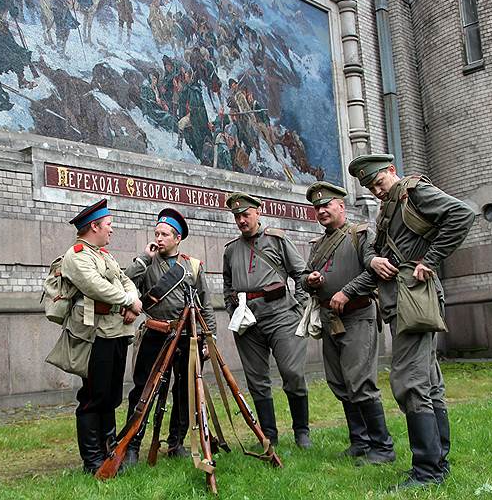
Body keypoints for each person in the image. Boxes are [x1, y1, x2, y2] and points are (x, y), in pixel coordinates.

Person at [347, 154, 475, 487]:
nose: (376, 190)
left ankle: (427, 471)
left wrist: (430, 260)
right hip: (403, 300)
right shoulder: (389, 208)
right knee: (429, 383)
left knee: (409, 381)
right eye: (370, 187)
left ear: (392, 171)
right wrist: (368, 267)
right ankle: (437, 463)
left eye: (379, 182)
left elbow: (462, 214)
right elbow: (380, 256)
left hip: (414, 299)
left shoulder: (413, 192)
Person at [299, 182, 395, 465]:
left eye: (326, 205)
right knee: (339, 382)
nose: (321, 211)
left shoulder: (361, 235)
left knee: (360, 381)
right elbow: (303, 276)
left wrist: (347, 291)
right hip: (331, 319)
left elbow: (375, 270)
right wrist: (310, 281)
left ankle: (383, 447)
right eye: (317, 207)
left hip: (357, 315)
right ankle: (360, 441)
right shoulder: (317, 245)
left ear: (341, 206)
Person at [123, 208, 217, 466]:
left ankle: (176, 442)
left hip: (188, 336)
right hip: (156, 333)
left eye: (164, 234)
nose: (159, 238)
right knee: (143, 390)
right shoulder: (147, 263)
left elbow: (205, 304)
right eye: (156, 233)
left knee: (185, 392)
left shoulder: (193, 266)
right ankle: (132, 444)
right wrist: (144, 257)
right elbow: (124, 283)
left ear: (177, 238)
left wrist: (211, 338)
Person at [222, 193, 311, 449]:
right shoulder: (231, 250)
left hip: (281, 315)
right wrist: (231, 310)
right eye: (237, 216)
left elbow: (300, 273)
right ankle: (269, 435)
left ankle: (301, 431)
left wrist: (300, 306)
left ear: (258, 212)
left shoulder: (277, 239)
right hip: (247, 320)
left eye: (245, 215)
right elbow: (228, 285)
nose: (241, 220)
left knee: (292, 372)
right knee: (256, 379)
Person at [61, 199, 143, 474]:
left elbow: (125, 280)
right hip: (95, 336)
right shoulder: (77, 255)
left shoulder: (104, 255)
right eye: (108, 225)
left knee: (110, 397)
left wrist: (133, 298)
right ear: (94, 226)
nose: (112, 229)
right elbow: (97, 287)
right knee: (93, 397)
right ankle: (92, 460)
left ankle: (110, 455)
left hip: (116, 332)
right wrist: (128, 303)